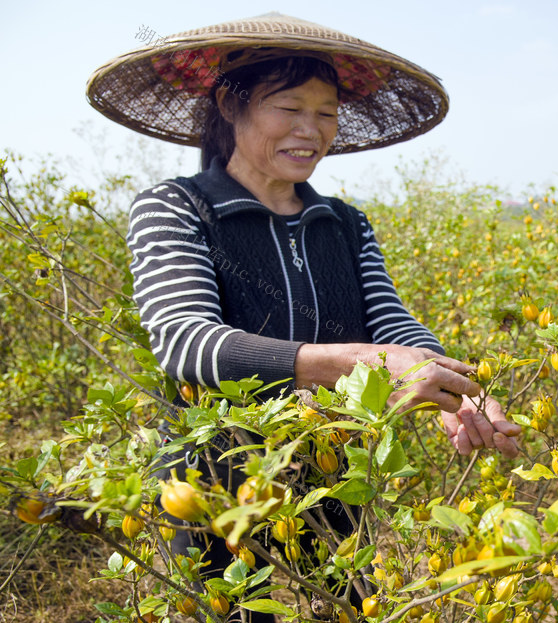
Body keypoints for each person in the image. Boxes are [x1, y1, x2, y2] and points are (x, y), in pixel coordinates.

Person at [87, 12, 520, 620]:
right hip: (211, 478)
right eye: (288, 107)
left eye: (326, 113)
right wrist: (365, 363)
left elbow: (391, 323)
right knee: (231, 610)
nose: (310, 130)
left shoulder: (343, 223)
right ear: (230, 106)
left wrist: (459, 390)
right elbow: (188, 344)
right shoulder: (177, 207)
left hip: (330, 470)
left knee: (349, 606)